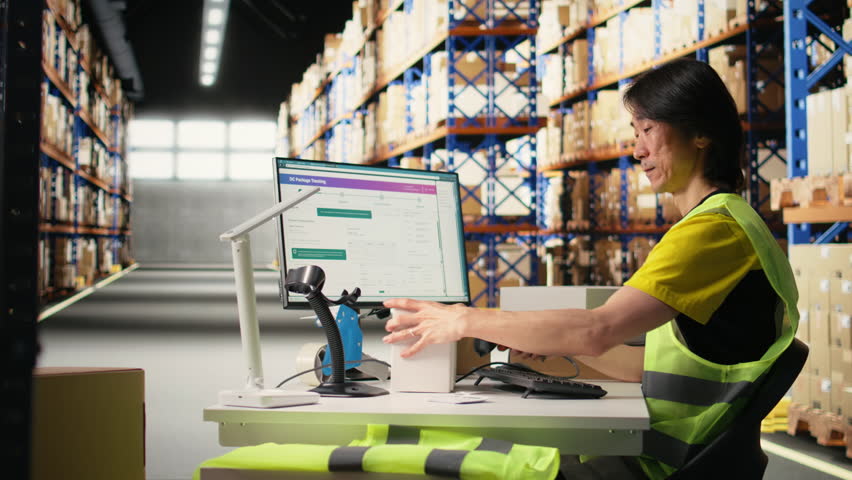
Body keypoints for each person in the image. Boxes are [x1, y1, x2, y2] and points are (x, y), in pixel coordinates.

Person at [382, 58, 799, 480]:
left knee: (445, 462)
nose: (638, 150)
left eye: (649, 129)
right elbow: (646, 368)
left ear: (702, 133)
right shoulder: (724, 221)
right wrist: (553, 350)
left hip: (658, 466)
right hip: (676, 456)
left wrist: (464, 320)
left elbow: (596, 330)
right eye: (636, 133)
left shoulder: (715, 231)